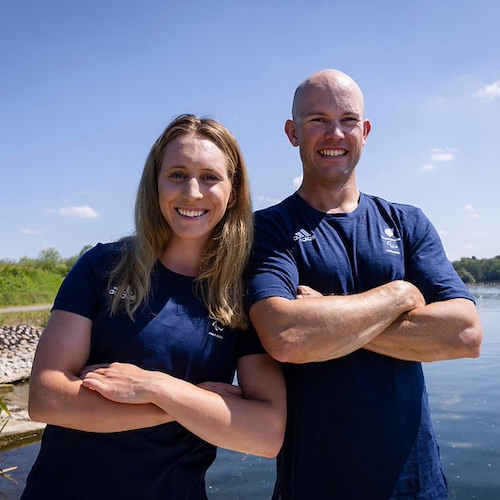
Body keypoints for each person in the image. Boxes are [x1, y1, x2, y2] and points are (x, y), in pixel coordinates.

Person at [22, 114, 286, 500]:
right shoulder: (101, 266)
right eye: (177, 174)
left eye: (210, 177)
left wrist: (156, 387)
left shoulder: (240, 295)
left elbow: (266, 434)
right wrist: (193, 404)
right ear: (155, 183)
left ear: (233, 191)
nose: (192, 192)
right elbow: (47, 398)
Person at [246, 69, 482, 499]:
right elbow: (286, 335)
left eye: (348, 119)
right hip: (314, 484)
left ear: (366, 131)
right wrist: (398, 295)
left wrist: (330, 313)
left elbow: (465, 334)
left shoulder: (407, 222)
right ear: (292, 132)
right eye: (317, 119)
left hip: (417, 484)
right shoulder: (267, 230)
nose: (334, 132)